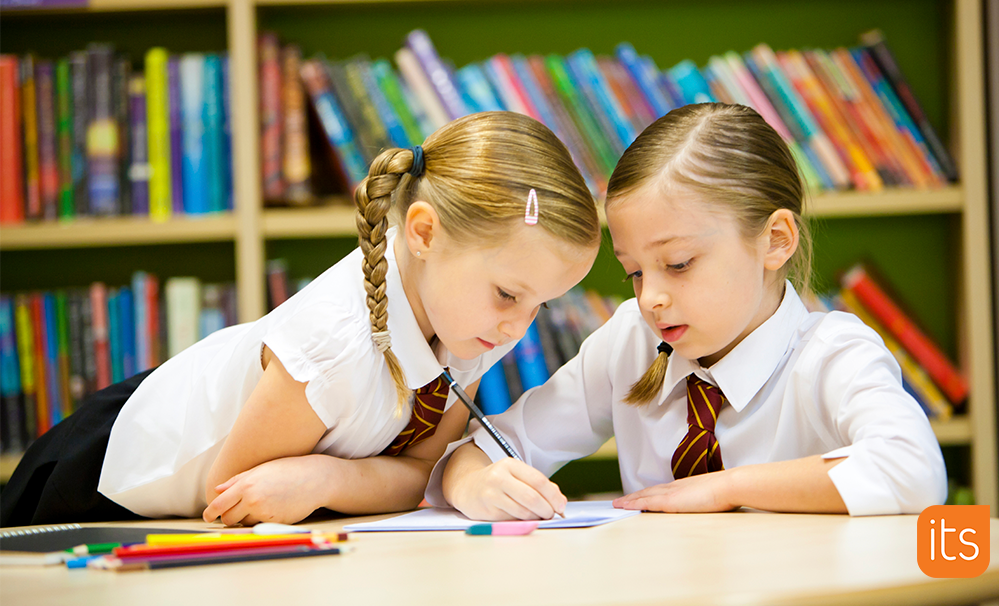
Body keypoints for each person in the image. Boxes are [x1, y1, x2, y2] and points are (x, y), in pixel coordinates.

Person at [0, 111, 600, 527]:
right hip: (100, 479)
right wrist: (331, 482)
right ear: (422, 233)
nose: (519, 328)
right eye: (508, 294)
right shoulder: (334, 348)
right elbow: (238, 497)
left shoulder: (472, 320)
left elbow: (419, 473)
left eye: (538, 305)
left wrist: (323, 481)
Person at [429, 103, 947, 520]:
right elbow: (489, 447)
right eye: (634, 272)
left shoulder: (834, 353)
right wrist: (475, 481)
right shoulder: (630, 341)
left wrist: (726, 490)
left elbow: (914, 469)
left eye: (677, 264)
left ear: (776, 241)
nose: (649, 297)